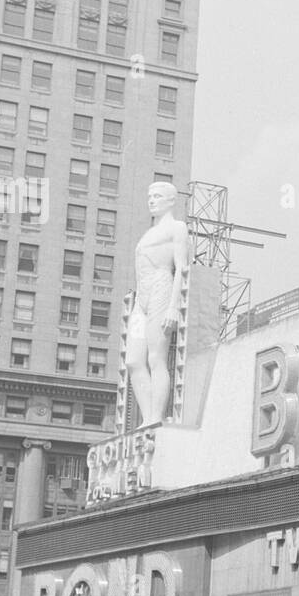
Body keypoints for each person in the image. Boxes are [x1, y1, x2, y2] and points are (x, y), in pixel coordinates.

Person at [127, 181, 189, 426]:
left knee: (156, 357)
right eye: (150, 196)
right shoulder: (148, 233)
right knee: (133, 360)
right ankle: (147, 417)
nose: (151, 200)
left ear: (171, 201)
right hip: (141, 297)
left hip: (163, 286)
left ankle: (155, 418)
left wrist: (174, 306)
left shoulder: (177, 227)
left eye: (158, 196)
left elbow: (182, 267)